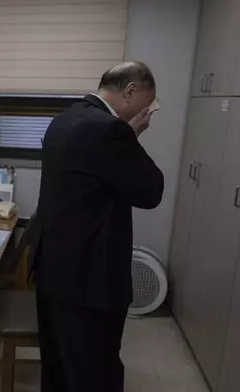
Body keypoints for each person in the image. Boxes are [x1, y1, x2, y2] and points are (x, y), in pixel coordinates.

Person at [32, 61, 165, 392]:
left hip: (53, 269)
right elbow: (151, 192)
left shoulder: (65, 119)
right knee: (95, 371)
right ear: (130, 91)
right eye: (147, 104)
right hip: (89, 280)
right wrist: (132, 137)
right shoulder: (110, 130)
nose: (148, 112)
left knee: (59, 365)